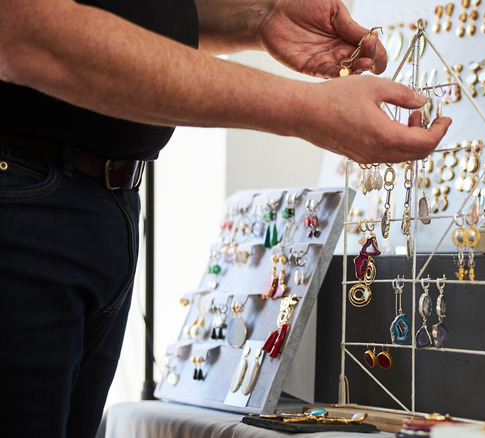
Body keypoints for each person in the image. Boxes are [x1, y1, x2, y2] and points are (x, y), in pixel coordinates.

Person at [0, 0, 451, 436]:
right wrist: (306, 109)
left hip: (101, 203)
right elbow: (23, 29)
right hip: (26, 200)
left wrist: (260, 17)